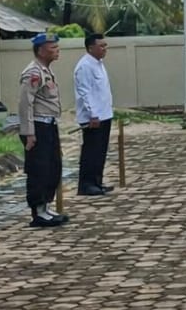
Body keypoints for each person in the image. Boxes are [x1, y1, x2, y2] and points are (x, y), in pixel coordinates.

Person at [18, 32, 67, 228]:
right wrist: (29, 133)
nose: (57, 51)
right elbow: (25, 103)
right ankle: (38, 211)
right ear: (40, 50)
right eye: (52, 48)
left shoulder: (45, 70)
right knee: (40, 169)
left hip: (49, 124)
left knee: (53, 167)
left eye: (56, 47)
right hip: (37, 126)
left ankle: (46, 207)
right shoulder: (33, 73)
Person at [73, 32, 115, 197]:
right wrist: (93, 114)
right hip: (93, 117)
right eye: (101, 46)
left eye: (105, 45)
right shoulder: (84, 66)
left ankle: (97, 181)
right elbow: (85, 93)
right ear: (90, 47)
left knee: (100, 151)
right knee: (91, 151)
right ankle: (87, 184)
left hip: (104, 114)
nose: (105, 49)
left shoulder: (99, 63)